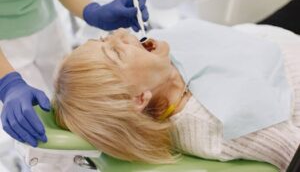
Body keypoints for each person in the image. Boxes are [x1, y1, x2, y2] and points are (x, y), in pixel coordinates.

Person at [52, 20, 300, 172]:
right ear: (139, 98)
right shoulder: (219, 123)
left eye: (105, 38)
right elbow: (293, 153)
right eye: (116, 52)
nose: (120, 33)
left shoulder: (166, 68)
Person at [0, 0, 149, 147]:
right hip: (5, 45)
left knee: (74, 99)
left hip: (45, 20)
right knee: (39, 132)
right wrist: (7, 84)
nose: (119, 35)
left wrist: (93, 12)